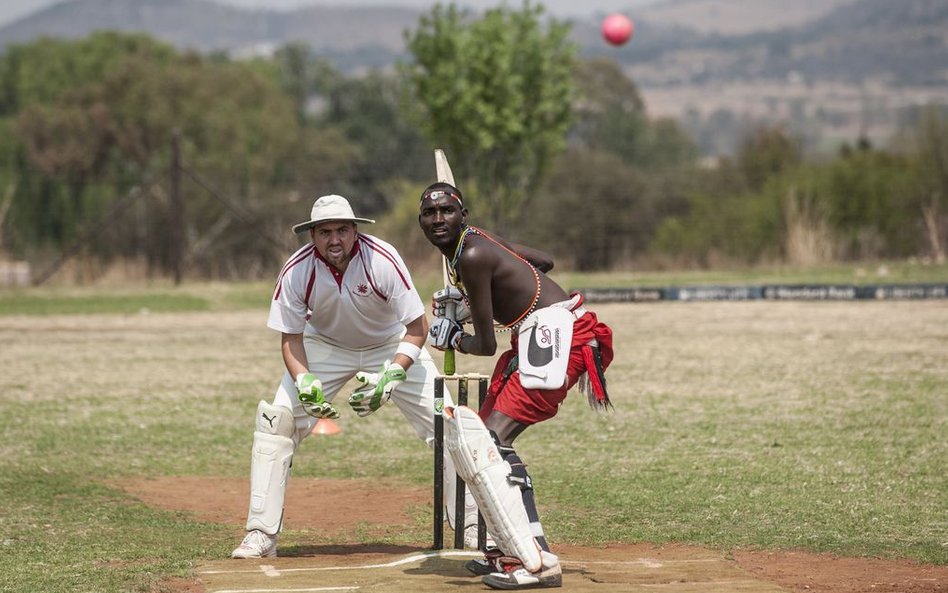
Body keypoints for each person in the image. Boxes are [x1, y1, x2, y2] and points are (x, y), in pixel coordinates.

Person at [232, 193, 475, 559]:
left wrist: (393, 373)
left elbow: (416, 327)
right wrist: (304, 381)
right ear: (312, 235)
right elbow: (291, 337)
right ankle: (260, 534)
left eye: (343, 230)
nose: (335, 240)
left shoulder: (383, 260)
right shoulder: (297, 270)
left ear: (355, 231)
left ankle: (470, 524)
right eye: (325, 231)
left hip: (390, 343)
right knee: (275, 423)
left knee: (449, 423)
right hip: (324, 346)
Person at [418, 182, 615, 590]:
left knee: (489, 444)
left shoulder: (471, 253)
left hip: (556, 337)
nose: (438, 219)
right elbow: (544, 261)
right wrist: (472, 302)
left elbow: (485, 345)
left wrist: (452, 334)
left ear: (462, 215)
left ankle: (537, 560)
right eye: (430, 213)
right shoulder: (477, 244)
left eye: (446, 211)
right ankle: (506, 548)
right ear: (421, 221)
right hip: (539, 334)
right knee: (478, 440)